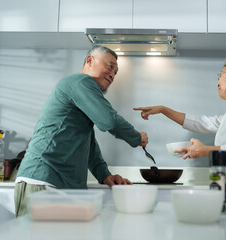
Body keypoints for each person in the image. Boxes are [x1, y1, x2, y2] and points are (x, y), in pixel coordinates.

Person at [14, 46, 148, 217]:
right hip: (43, 179)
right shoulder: (80, 81)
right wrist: (137, 137)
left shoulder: (79, 92)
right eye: (110, 66)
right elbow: (109, 120)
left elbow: (87, 142)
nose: (113, 75)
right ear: (90, 60)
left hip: (55, 185)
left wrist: (104, 175)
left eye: (116, 71)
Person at [134, 56, 226, 176]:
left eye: (221, 75)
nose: (217, 83)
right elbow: (204, 123)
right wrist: (163, 110)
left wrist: (205, 150)